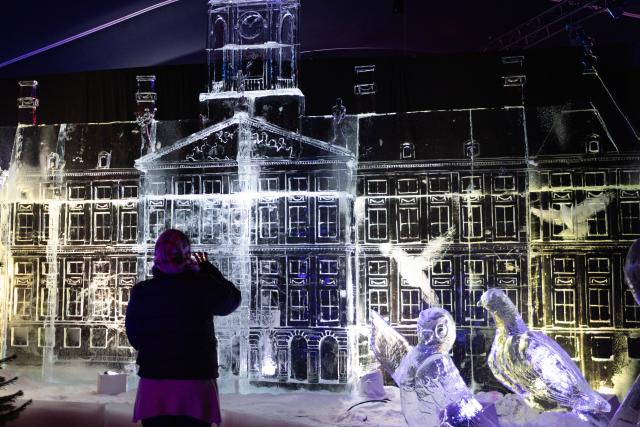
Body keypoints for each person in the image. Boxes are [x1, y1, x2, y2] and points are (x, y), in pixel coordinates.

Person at [126, 229, 241, 427]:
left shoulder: (143, 291)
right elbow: (231, 300)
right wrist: (208, 270)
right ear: (187, 255)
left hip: (155, 382)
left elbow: (134, 334)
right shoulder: (201, 287)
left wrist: (154, 352)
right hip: (195, 382)